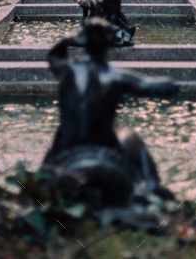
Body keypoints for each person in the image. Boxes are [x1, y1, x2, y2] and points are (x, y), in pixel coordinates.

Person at [43, 18, 178, 209]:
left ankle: (42, 179)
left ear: (84, 43)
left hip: (66, 155)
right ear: (110, 43)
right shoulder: (117, 76)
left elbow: (52, 55)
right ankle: (152, 188)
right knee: (131, 138)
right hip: (104, 154)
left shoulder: (68, 70)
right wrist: (170, 83)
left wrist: (68, 39)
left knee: (58, 137)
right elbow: (155, 87)